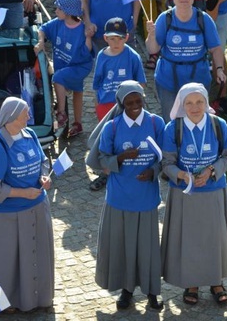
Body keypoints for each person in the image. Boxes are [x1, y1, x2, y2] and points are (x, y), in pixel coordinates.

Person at [89, 81, 165, 310]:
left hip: (146, 196)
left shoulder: (155, 122)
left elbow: (166, 157)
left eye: (138, 101)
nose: (135, 106)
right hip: (119, 197)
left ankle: (152, 292)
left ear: (143, 99)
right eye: (129, 102)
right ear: (121, 103)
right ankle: (126, 290)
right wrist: (120, 157)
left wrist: (154, 171)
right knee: (123, 246)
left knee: (148, 247)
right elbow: (101, 160)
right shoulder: (112, 127)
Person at [160, 82, 227, 306]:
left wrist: (211, 171)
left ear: (206, 102)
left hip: (213, 190)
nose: (195, 107)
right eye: (189, 103)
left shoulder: (218, 125)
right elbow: (167, 163)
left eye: (199, 102)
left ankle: (216, 282)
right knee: (189, 239)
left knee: (214, 238)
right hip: (185, 193)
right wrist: (182, 175)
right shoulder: (173, 128)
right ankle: (191, 283)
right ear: (182, 105)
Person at [0, 97, 54, 313]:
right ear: (11, 117)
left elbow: (42, 161)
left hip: (36, 208)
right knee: (3, 263)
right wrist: (23, 193)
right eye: (25, 114)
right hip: (5, 216)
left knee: (35, 257)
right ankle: (0, 304)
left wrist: (44, 177)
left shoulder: (30, 135)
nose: (29, 117)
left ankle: (36, 299)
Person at [145, 0, 225, 122]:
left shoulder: (203, 19)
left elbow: (216, 48)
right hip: (168, 80)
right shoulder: (165, 18)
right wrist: (151, 35)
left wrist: (219, 69)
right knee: (171, 121)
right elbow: (153, 50)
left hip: (198, 79)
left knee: (197, 120)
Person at [35, 0, 94, 138]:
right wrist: (41, 41)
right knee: (77, 90)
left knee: (58, 78)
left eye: (58, 9)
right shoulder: (57, 23)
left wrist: (88, 38)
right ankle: (78, 123)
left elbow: (86, 52)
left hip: (80, 66)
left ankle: (61, 113)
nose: (55, 11)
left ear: (68, 12)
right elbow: (42, 29)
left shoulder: (82, 30)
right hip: (65, 64)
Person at [93, 18, 146, 120]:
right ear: (105, 38)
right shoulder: (101, 56)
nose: (116, 43)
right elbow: (97, 82)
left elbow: (141, 83)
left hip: (127, 104)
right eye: (112, 39)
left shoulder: (133, 56)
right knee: (107, 132)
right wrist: (97, 103)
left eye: (120, 38)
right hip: (106, 102)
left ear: (126, 37)